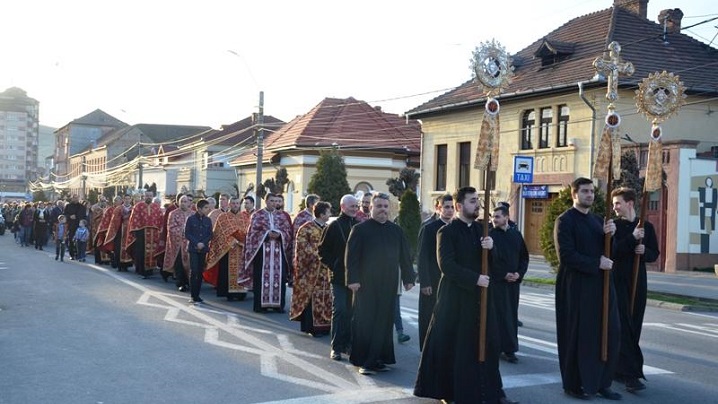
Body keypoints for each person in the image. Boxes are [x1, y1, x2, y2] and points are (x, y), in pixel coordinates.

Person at [414, 186, 517, 404]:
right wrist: (474, 279)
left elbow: (496, 265)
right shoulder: (446, 232)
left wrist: (492, 249)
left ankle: (492, 392)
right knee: (455, 346)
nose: (477, 204)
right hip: (456, 299)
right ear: (460, 206)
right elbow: (447, 265)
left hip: (481, 299)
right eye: (472, 201)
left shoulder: (483, 231)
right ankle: (451, 392)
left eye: (478, 200)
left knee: (487, 344)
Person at [554, 177, 621, 401]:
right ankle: (575, 384)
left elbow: (610, 251)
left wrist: (610, 235)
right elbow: (566, 255)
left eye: (592, 191)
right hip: (576, 287)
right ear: (575, 195)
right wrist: (596, 263)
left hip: (601, 286)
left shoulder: (597, 221)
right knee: (579, 336)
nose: (590, 195)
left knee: (608, 332)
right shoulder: (565, 221)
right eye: (584, 192)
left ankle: (602, 382)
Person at [345, 192, 415, 375]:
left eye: (386, 206)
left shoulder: (396, 230)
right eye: (379, 206)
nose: (383, 210)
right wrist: (352, 279)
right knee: (365, 322)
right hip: (365, 284)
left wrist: (408, 278)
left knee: (384, 322)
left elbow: (405, 256)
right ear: (371, 208)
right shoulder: (360, 229)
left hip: (389, 283)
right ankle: (364, 361)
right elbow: (351, 257)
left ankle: (379, 359)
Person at [610, 187, 660, 393]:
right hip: (618, 280)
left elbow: (654, 253)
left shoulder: (646, 226)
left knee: (634, 324)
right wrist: (632, 239)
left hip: (638, 281)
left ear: (629, 203)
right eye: (613, 204)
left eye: (617, 203)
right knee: (623, 325)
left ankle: (621, 369)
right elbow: (613, 250)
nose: (614, 208)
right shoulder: (615, 226)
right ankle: (631, 374)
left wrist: (644, 250)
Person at [318, 194, 359, 361]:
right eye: (352, 206)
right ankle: (335, 347)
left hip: (356, 278)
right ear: (343, 207)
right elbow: (322, 251)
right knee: (340, 310)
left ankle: (348, 345)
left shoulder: (359, 225)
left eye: (356, 206)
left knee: (353, 312)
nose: (355, 209)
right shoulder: (333, 226)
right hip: (339, 277)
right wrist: (333, 265)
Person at [490, 205, 529, 364]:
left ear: (506, 217)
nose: (494, 219)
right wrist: (503, 274)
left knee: (511, 316)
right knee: (498, 315)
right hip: (497, 282)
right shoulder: (490, 236)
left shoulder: (516, 235)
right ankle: (495, 347)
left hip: (513, 283)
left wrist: (519, 273)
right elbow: (489, 261)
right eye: (493, 217)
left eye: (497, 216)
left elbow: (524, 258)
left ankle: (510, 349)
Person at [242, 193, 293, 313]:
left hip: (278, 252)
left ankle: (278, 305)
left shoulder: (282, 216)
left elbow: (288, 232)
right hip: (262, 252)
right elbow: (252, 233)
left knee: (279, 278)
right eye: (272, 201)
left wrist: (280, 234)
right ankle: (260, 305)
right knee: (261, 278)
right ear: (266, 201)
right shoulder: (257, 215)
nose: (274, 203)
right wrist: (266, 234)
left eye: (276, 201)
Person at [416, 193, 454, 350]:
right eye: (446, 207)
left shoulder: (455, 227)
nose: (450, 210)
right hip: (432, 280)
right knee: (428, 315)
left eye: (452, 207)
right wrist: (424, 282)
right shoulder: (429, 228)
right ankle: (426, 347)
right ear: (438, 208)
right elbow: (422, 256)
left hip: (450, 281)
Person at [290, 201, 332, 336]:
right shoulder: (305, 228)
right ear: (321, 214)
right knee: (312, 297)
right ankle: (312, 327)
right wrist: (320, 255)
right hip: (311, 271)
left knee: (327, 297)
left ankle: (325, 326)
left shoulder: (328, 228)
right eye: (328, 212)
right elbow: (302, 247)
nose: (330, 214)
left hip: (326, 271)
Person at [205, 196, 250, 300]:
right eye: (233, 203)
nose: (235, 205)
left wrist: (241, 240)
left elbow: (248, 232)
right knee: (226, 271)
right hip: (227, 250)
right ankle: (228, 293)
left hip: (241, 249)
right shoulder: (223, 217)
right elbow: (218, 234)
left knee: (241, 271)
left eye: (237, 203)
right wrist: (230, 241)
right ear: (229, 204)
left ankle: (240, 293)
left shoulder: (244, 217)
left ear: (240, 205)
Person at [125, 190, 164, 278]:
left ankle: (149, 270)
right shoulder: (138, 206)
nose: (149, 197)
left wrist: (160, 230)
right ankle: (141, 269)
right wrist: (135, 231)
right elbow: (134, 219)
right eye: (147, 195)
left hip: (154, 233)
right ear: (144, 196)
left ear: (152, 196)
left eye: (150, 195)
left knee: (152, 251)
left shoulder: (156, 207)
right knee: (141, 251)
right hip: (141, 233)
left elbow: (161, 219)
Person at [162, 195, 193, 291]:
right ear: (179, 203)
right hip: (178, 243)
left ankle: (189, 282)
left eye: (185, 201)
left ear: (189, 203)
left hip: (190, 243)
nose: (183, 203)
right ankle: (181, 283)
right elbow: (171, 228)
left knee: (189, 264)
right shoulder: (173, 213)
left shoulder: (193, 214)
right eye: (181, 201)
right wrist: (184, 232)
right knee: (179, 263)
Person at [185, 198, 213, 304]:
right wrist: (197, 243)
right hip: (193, 248)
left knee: (200, 272)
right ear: (199, 209)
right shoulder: (191, 219)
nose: (208, 209)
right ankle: (193, 295)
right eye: (206, 208)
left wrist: (203, 243)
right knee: (194, 271)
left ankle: (198, 295)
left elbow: (210, 234)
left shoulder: (208, 220)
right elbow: (187, 233)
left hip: (203, 249)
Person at [103, 194, 133, 271]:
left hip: (129, 232)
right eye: (125, 199)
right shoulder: (118, 209)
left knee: (128, 247)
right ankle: (119, 265)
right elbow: (114, 220)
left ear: (130, 200)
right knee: (118, 249)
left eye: (128, 199)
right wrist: (122, 218)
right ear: (123, 199)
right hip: (119, 231)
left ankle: (126, 265)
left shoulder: (133, 209)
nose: (127, 200)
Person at [63, 195, 87, 259]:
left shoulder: (82, 207)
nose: (76, 199)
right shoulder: (68, 206)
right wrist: (69, 216)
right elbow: (64, 215)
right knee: (71, 240)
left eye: (77, 198)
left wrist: (79, 218)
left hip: (79, 227)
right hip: (71, 226)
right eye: (74, 198)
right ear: (72, 198)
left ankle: (78, 254)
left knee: (79, 241)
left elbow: (84, 216)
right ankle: (72, 255)